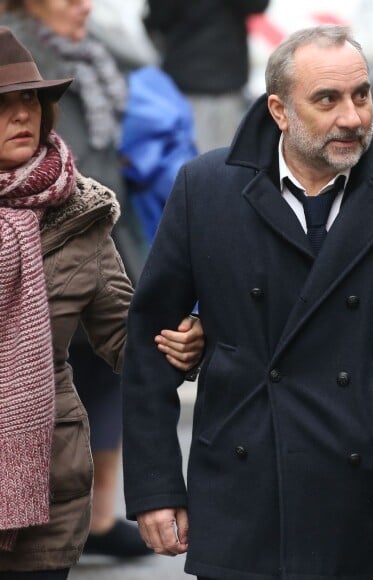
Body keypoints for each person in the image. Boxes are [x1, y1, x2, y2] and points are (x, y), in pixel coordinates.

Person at [121, 24, 373, 580]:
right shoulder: (204, 189)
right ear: (279, 110)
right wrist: (156, 487)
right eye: (327, 99)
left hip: (363, 492)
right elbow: (149, 340)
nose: (352, 116)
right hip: (240, 494)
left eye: (361, 94)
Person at [0, 26, 203, 578]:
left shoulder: (79, 215)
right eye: (3, 104)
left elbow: (124, 337)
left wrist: (181, 344)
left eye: (30, 99)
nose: (22, 114)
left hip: (45, 491)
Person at [144, 0, 270, 153]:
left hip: (193, 75)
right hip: (219, 76)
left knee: (198, 157)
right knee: (224, 158)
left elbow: (156, 19)